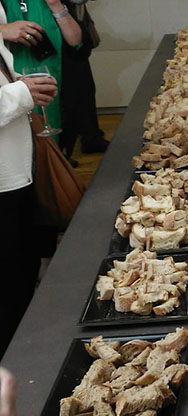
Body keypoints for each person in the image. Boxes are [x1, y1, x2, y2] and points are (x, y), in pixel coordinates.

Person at [0, 28, 57, 358]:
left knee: (22, 271)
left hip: (16, 174)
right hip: (5, 181)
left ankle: (24, 358)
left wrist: (20, 83)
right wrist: (22, 93)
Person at [0, 0, 82, 138]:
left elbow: (76, 41)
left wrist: (56, 5)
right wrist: (2, 30)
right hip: (11, 87)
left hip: (53, 81)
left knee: (49, 142)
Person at [60, 0, 108, 160]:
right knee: (67, 98)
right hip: (60, 38)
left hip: (74, 35)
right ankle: (62, 154)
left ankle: (90, 136)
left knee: (85, 90)